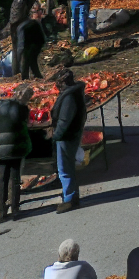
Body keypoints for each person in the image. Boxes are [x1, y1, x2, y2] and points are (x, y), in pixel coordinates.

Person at [51, 68, 87, 212]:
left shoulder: (69, 98)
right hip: (72, 134)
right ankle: (73, 195)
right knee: (68, 166)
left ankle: (69, 199)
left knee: (64, 169)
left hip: (67, 136)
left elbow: (64, 121)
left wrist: (55, 136)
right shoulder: (74, 94)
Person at [0, 84, 33, 221]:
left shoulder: (2, 105)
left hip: (1, 148)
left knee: (2, 179)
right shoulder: (23, 109)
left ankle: (1, 210)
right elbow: (26, 124)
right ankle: (15, 209)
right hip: (16, 147)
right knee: (14, 178)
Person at [3, 0, 37, 74]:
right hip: (17, 29)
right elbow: (15, 19)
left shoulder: (23, 2)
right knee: (18, 51)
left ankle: (20, 71)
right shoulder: (19, 1)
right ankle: (17, 71)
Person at [18, 2, 46, 80]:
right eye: (35, 12)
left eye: (39, 10)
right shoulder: (28, 25)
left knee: (31, 59)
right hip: (28, 44)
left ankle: (35, 75)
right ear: (31, 14)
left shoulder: (38, 23)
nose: (38, 13)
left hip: (34, 43)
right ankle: (27, 76)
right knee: (27, 59)